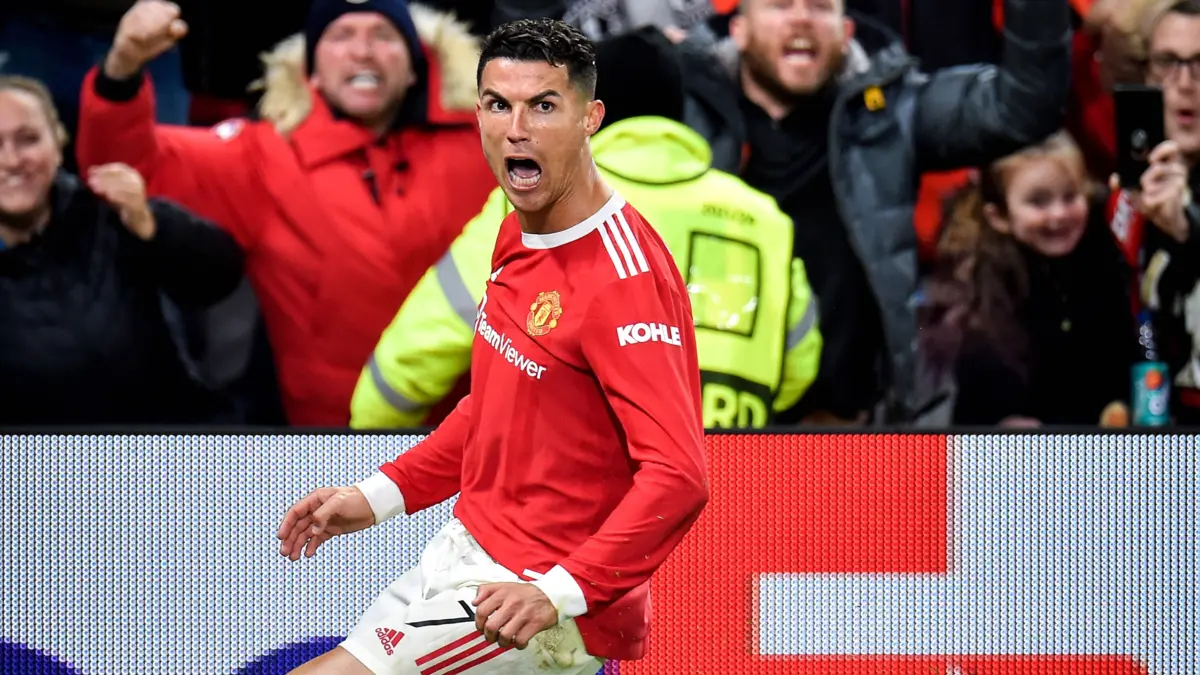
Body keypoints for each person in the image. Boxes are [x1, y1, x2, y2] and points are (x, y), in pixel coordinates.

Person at [277, 18, 709, 675]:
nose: (517, 129)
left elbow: (679, 476)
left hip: (536, 602)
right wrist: (378, 495)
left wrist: (558, 592)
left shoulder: (624, 279)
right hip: (467, 552)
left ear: (590, 119)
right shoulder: (516, 232)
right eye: (498, 105)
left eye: (544, 106)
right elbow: (495, 408)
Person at [349, 26, 821, 431]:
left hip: (577, 486)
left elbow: (419, 348)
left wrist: (366, 448)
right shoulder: (761, 217)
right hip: (730, 476)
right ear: (678, 111)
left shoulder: (535, 203)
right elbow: (799, 365)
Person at [73, 0, 498, 426]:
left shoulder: (484, 143)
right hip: (331, 440)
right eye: (341, 36)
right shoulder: (261, 158)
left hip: (478, 429)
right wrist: (120, 72)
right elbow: (123, 168)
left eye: (384, 36)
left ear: (414, 67)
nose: (362, 51)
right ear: (311, 70)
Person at [677, 0, 1072, 426]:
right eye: (780, 5)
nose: (802, 17)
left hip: (853, 431)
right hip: (710, 427)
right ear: (738, 30)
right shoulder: (680, 107)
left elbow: (1026, 104)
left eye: (820, 7)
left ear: (846, 33)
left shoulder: (891, 109)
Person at [0, 76, 244, 425]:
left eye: (28, 139)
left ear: (58, 141)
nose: (11, 160)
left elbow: (221, 277)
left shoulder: (109, 212)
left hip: (175, 443)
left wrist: (152, 225)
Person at [919, 132, 1138, 426]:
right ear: (999, 216)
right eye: (1039, 202)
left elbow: (1131, 351)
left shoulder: (1106, 260)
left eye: (1070, 196)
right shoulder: (979, 292)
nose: (1058, 214)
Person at [1103, 0, 1200, 422]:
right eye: (1167, 62)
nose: (1185, 83)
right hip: (1153, 427)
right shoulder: (1124, 196)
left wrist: (1187, 229)